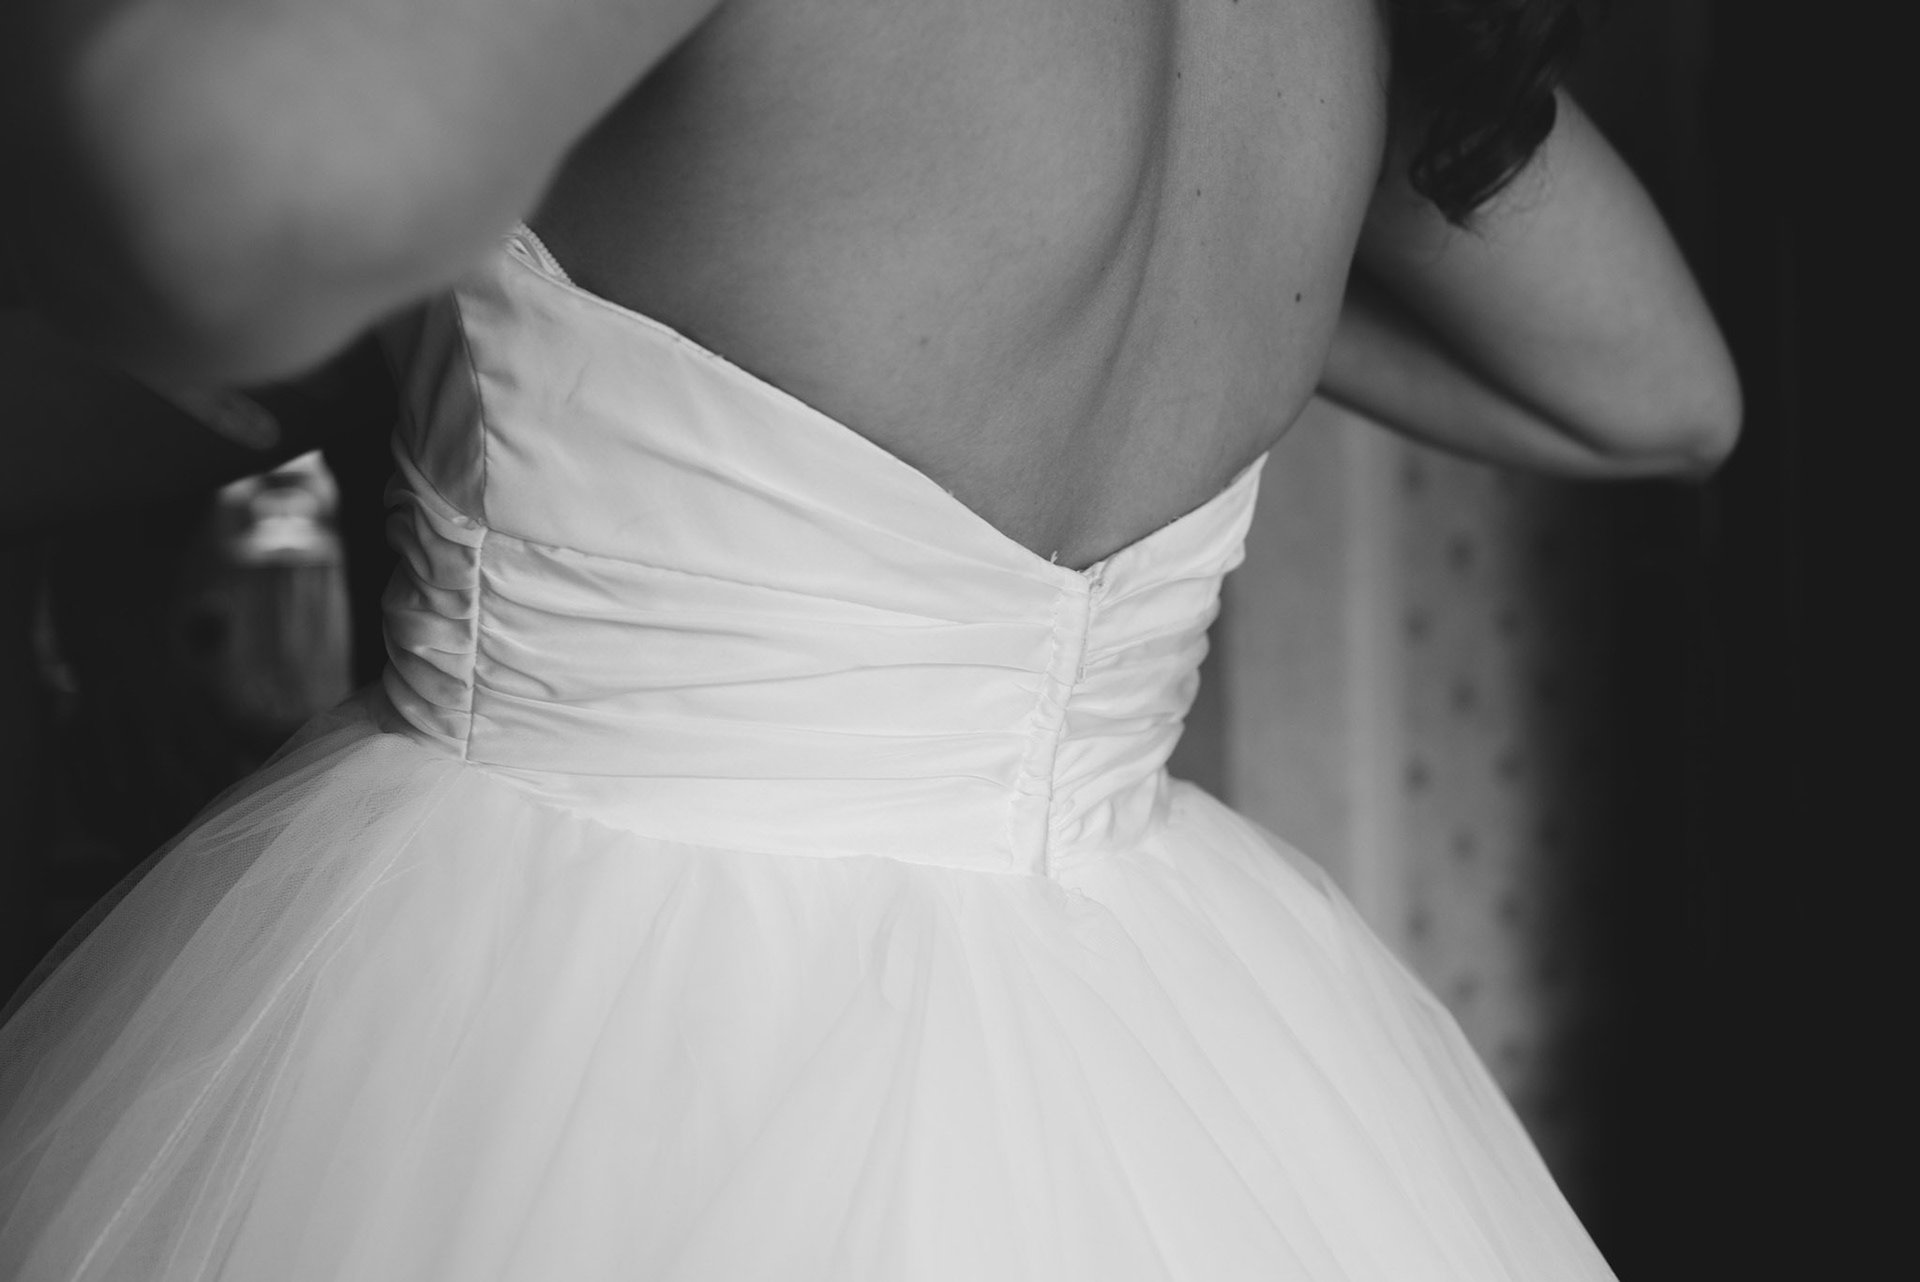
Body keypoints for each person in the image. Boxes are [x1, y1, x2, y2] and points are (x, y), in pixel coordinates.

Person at [0, 0, 1739, 1278]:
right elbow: (1660, 391)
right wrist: (1150, 263)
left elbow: (227, 213)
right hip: (1164, 1047)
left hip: (569, 1010)